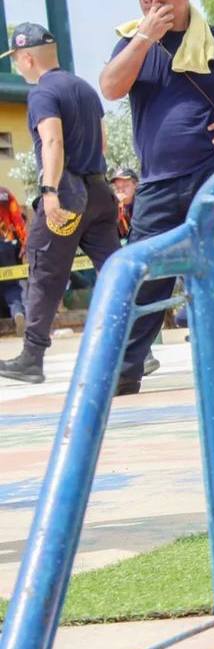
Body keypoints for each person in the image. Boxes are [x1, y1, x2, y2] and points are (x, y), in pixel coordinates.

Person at [100, 0, 214, 396]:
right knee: (146, 278)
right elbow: (110, 88)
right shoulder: (132, 42)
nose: (151, 3)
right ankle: (125, 371)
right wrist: (144, 38)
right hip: (157, 185)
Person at [0, 24, 122, 385]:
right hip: (99, 191)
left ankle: (31, 358)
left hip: (67, 195)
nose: (17, 66)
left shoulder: (42, 93)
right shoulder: (84, 87)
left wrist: (50, 191)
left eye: (17, 60)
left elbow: (52, 141)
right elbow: (102, 143)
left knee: (44, 273)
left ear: (27, 57)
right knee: (114, 271)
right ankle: (138, 351)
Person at [0, 188, 28, 338]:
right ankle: (18, 312)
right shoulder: (5, 194)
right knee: (11, 286)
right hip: (7, 243)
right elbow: (17, 219)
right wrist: (24, 242)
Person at [110, 166, 138, 241]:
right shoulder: (114, 208)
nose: (121, 190)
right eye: (117, 187)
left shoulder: (143, 204)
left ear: (135, 185)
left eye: (125, 186)